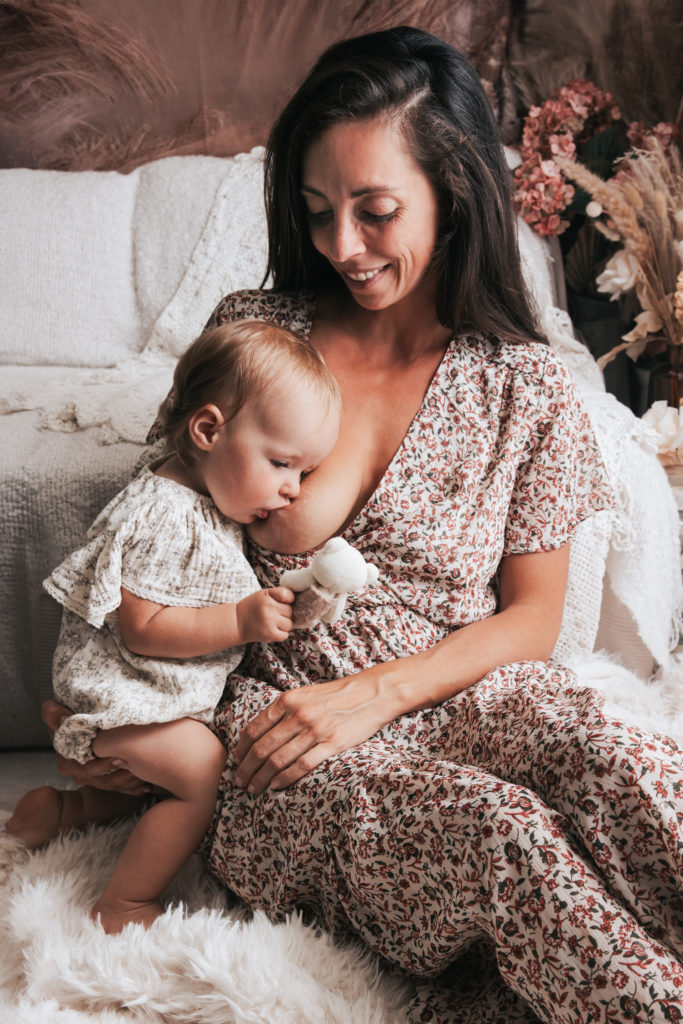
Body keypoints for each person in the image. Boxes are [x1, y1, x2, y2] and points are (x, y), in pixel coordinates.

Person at [39, 25, 683, 1021]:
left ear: (452, 191)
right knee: (502, 833)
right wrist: (97, 702)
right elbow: (151, 530)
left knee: (615, 759)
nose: (340, 244)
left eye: (374, 211)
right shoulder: (257, 335)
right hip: (282, 732)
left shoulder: (524, 383)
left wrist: (374, 695)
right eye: (316, 210)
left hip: (458, 690)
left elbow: (532, 616)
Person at [5, 319, 341, 934]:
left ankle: (60, 816)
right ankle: (124, 903)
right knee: (199, 771)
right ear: (208, 431)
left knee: (135, 791)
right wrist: (239, 618)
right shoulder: (162, 513)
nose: (291, 490)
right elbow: (143, 629)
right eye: (281, 463)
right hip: (121, 691)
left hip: (148, 690)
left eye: (304, 474)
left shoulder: (206, 500)